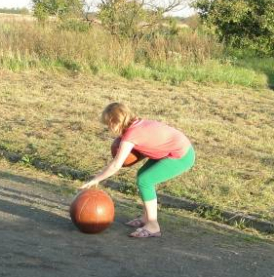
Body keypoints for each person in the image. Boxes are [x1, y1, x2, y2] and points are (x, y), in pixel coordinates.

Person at [80, 102, 195, 238]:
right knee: (143, 176)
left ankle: (153, 225)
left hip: (181, 156)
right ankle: (146, 219)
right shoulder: (138, 124)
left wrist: (96, 179)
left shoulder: (131, 135)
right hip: (175, 149)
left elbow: (116, 165)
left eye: (108, 125)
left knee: (145, 180)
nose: (108, 128)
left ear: (114, 122)